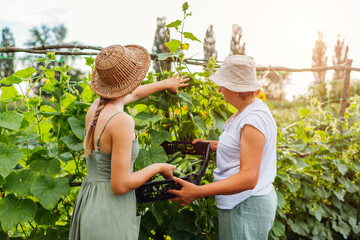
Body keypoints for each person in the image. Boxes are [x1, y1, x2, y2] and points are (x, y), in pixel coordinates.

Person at [69, 44, 189, 240]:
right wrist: (158, 167)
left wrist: (166, 83)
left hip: (89, 202)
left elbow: (133, 94)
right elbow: (121, 184)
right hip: (110, 211)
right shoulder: (122, 121)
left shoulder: (95, 108)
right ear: (131, 81)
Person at [169, 55, 277, 240]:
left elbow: (248, 178)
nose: (219, 90)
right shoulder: (249, 110)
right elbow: (244, 147)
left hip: (245, 204)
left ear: (237, 88)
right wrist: (213, 145)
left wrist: (197, 192)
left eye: (223, 85)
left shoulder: (253, 119)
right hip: (242, 203)